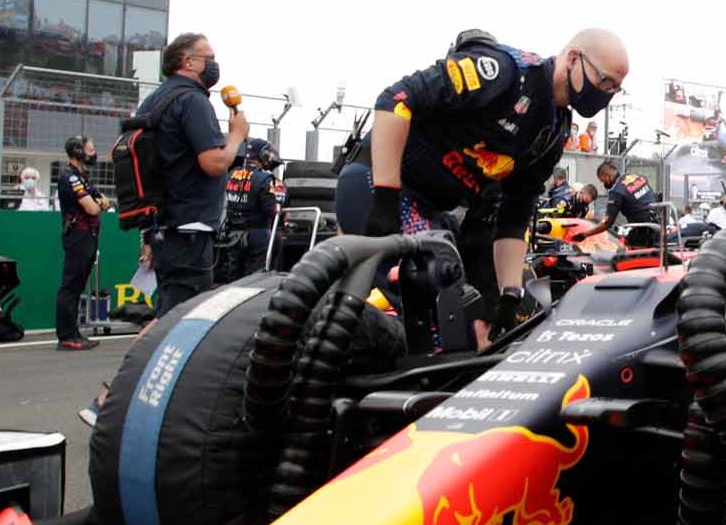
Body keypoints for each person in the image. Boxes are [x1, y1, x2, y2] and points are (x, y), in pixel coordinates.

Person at [338, 28, 627, 342]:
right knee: (446, 312)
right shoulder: (505, 72)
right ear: (573, 59)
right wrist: (385, 197)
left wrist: (510, 293)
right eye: (604, 81)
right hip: (382, 188)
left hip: (432, 210)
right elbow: (394, 100)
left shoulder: (554, 132)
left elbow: (515, 214)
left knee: (477, 321)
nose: (607, 93)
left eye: (616, 88)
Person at [137, 33, 249, 317]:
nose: (214, 65)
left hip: (162, 225)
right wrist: (236, 136)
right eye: (208, 58)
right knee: (183, 319)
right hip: (190, 229)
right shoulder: (193, 101)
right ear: (188, 62)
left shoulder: (154, 100)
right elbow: (214, 162)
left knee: (167, 313)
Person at [53, 136, 105, 351]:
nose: (93, 154)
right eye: (90, 150)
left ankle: (73, 332)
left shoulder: (82, 176)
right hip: (78, 236)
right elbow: (93, 207)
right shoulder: (70, 177)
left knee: (77, 286)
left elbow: (101, 200)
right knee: (71, 287)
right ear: (78, 151)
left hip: (88, 236)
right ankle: (66, 336)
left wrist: (99, 202)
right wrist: (99, 203)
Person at [219, 139, 282, 282]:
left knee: (233, 277)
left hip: (233, 234)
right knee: (254, 279)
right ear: (262, 155)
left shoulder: (232, 174)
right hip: (256, 234)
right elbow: (270, 211)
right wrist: (278, 207)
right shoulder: (264, 178)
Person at [585, 160, 660, 247]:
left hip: (643, 231)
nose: (604, 184)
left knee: (622, 249)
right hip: (658, 225)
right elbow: (653, 197)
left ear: (606, 175)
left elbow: (607, 223)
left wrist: (586, 234)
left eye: (603, 181)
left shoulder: (616, 191)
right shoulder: (636, 177)